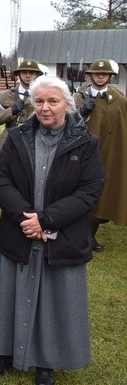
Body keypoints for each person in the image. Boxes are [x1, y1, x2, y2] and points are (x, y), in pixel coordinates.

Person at [0, 76, 106, 385]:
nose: (45, 108)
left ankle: (47, 361)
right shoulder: (17, 136)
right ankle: (3, 352)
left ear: (66, 105)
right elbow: (0, 176)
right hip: (19, 231)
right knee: (9, 294)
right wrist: (25, 217)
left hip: (60, 236)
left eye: (53, 101)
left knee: (53, 298)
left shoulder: (85, 142)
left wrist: (46, 220)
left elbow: (90, 190)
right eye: (40, 101)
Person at [73, 59, 127, 252]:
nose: (101, 76)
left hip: (109, 155)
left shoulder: (119, 99)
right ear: (91, 75)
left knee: (102, 195)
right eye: (97, 73)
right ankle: (78, 234)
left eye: (104, 74)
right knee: (79, 193)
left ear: (110, 76)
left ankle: (89, 235)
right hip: (83, 154)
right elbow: (67, 122)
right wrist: (81, 112)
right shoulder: (79, 97)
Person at [0, 59, 43, 154]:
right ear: (19, 74)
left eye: (31, 73)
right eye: (24, 72)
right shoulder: (5, 95)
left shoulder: (43, 95)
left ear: (37, 75)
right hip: (9, 142)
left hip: (34, 142)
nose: (28, 76)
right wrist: (11, 111)